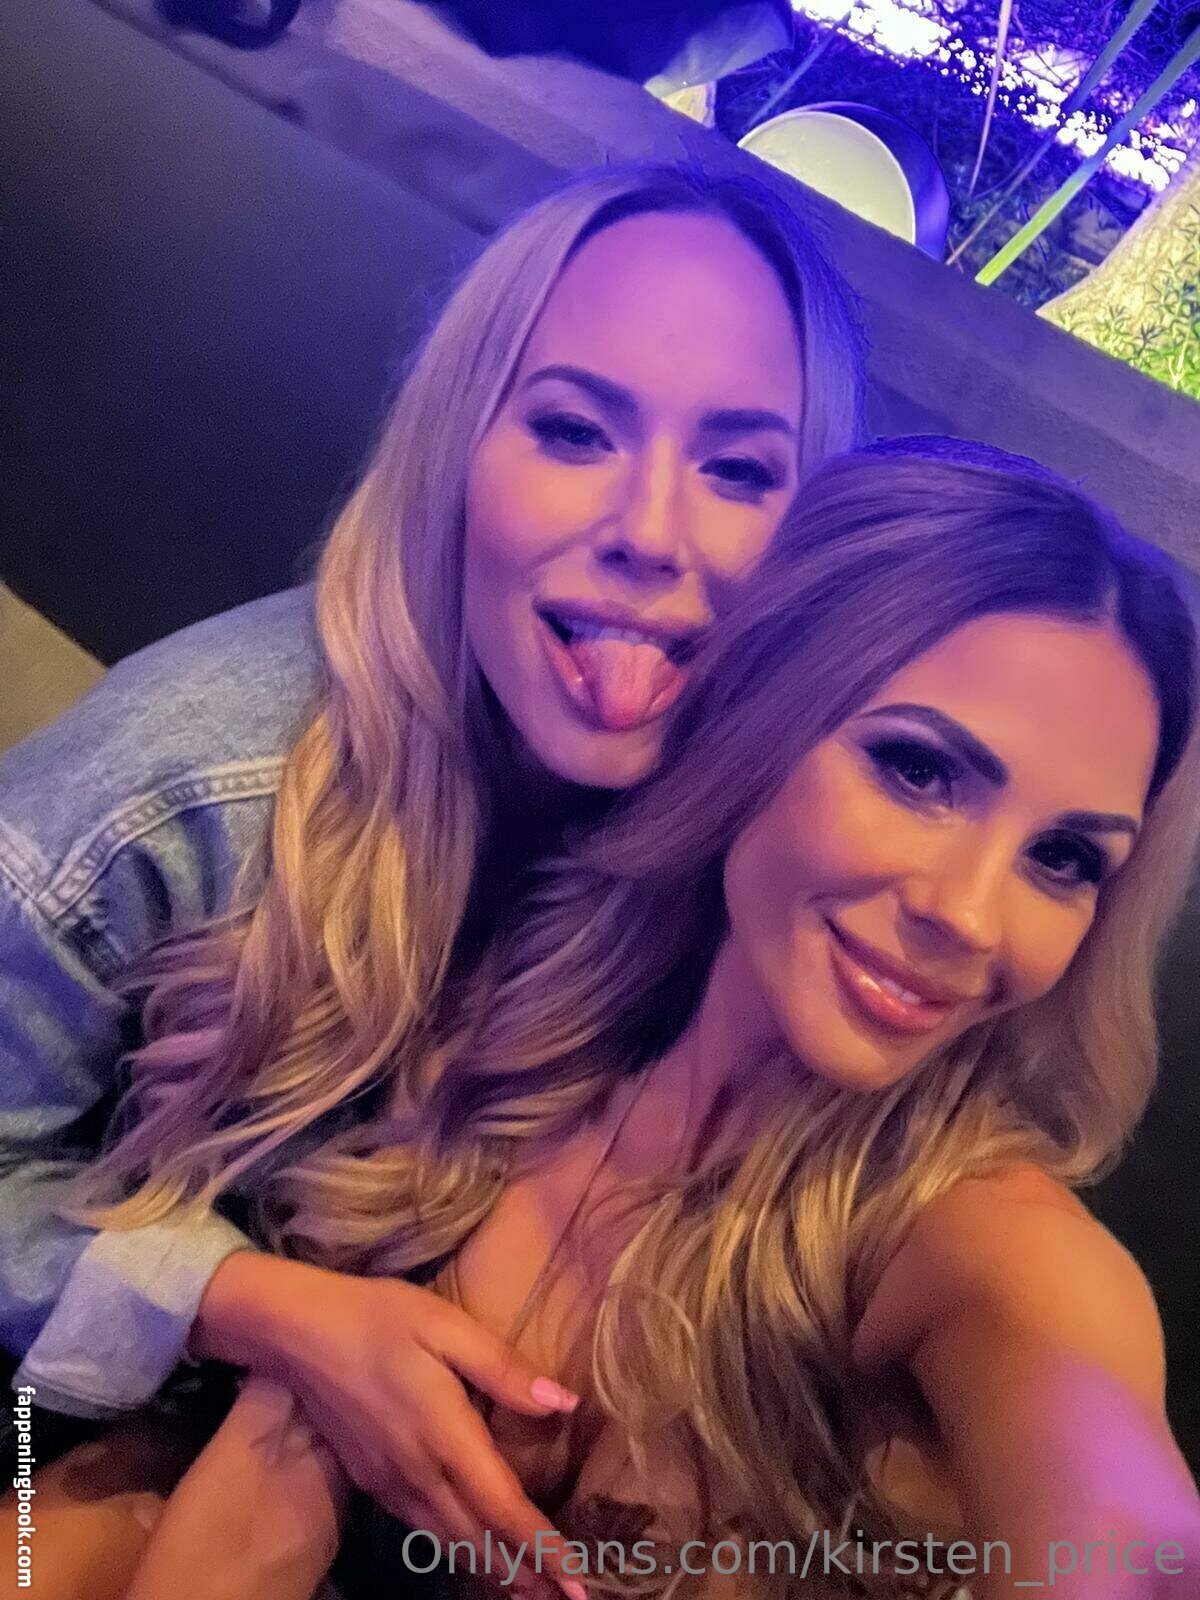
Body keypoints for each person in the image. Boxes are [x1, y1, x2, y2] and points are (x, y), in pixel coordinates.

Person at [53, 439, 1200, 1599]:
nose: (970, 914)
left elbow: (1126, 1529)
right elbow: (255, 1500)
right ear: (758, 705)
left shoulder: (980, 1251)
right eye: (917, 770)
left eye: (1063, 858)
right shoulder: (504, 1008)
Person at [0, 158, 865, 1596]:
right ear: (456, 451)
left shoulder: (758, 864)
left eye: (739, 470)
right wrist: (260, 1310)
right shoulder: (189, 786)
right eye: (575, 430)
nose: (655, 531)